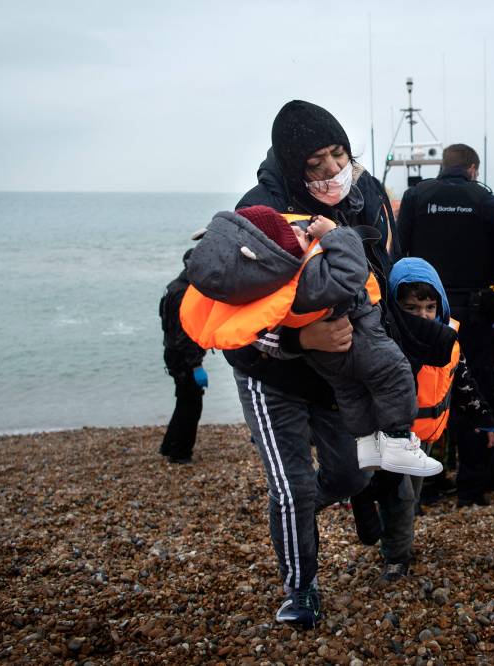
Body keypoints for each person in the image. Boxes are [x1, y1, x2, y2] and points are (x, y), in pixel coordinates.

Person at [198, 100, 422, 629]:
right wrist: (301, 337)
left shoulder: (365, 196)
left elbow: (378, 281)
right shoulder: (259, 210)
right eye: (315, 162)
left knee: (347, 475)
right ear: (294, 165)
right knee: (294, 484)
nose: (330, 170)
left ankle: (299, 511)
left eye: (338, 153)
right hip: (270, 368)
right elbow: (230, 310)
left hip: (337, 372)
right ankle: (300, 588)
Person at [183, 205, 442, 477]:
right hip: (359, 337)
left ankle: (367, 445)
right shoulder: (309, 279)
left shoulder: (265, 287)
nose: (298, 228)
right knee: (394, 374)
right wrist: (335, 234)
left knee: (350, 390)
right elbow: (351, 271)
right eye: (291, 234)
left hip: (325, 356)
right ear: (275, 256)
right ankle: (399, 441)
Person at [395, 143, 494, 502]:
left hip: (420, 310)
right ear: (472, 168)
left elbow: (399, 254)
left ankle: (424, 483)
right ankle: (471, 488)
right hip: (470, 312)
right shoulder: (487, 202)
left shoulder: (415, 197)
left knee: (417, 391)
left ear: (444, 166)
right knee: (469, 387)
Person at [390, 257, 494, 507]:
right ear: (396, 307)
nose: (424, 316)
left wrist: (483, 417)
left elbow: (463, 380)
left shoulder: (447, 339)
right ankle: (396, 544)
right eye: (412, 308)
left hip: (427, 436)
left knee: (412, 496)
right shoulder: (389, 341)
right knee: (399, 499)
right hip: (392, 439)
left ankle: (401, 536)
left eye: (430, 307)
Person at [158, 248, 208, 464]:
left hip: (173, 353)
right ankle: (180, 453)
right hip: (182, 357)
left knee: (184, 401)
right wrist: (196, 365)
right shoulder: (184, 293)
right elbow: (183, 335)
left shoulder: (173, 287)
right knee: (191, 404)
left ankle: (169, 445)